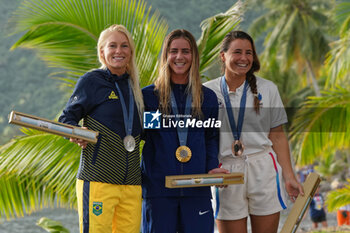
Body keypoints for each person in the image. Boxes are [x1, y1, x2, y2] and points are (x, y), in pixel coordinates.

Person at [204, 30, 304, 233]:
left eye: (249, 53)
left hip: (263, 169)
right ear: (223, 56)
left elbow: (277, 135)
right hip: (226, 171)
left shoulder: (268, 89)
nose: (244, 58)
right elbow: (201, 137)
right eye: (237, 52)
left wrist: (289, 176)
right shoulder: (206, 91)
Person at [58, 24, 144, 233]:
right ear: (102, 52)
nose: (118, 51)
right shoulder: (91, 81)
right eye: (112, 45)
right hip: (98, 180)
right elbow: (66, 118)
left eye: (124, 46)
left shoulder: (138, 88)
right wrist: (76, 134)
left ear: (131, 52)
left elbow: (151, 130)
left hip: (132, 184)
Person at [141, 29, 226, 233]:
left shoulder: (207, 98)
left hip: (197, 190)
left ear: (194, 56)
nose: (180, 57)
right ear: (166, 55)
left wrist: (212, 166)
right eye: (174, 51)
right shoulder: (150, 97)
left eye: (186, 51)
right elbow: (148, 138)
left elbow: (210, 138)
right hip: (159, 191)